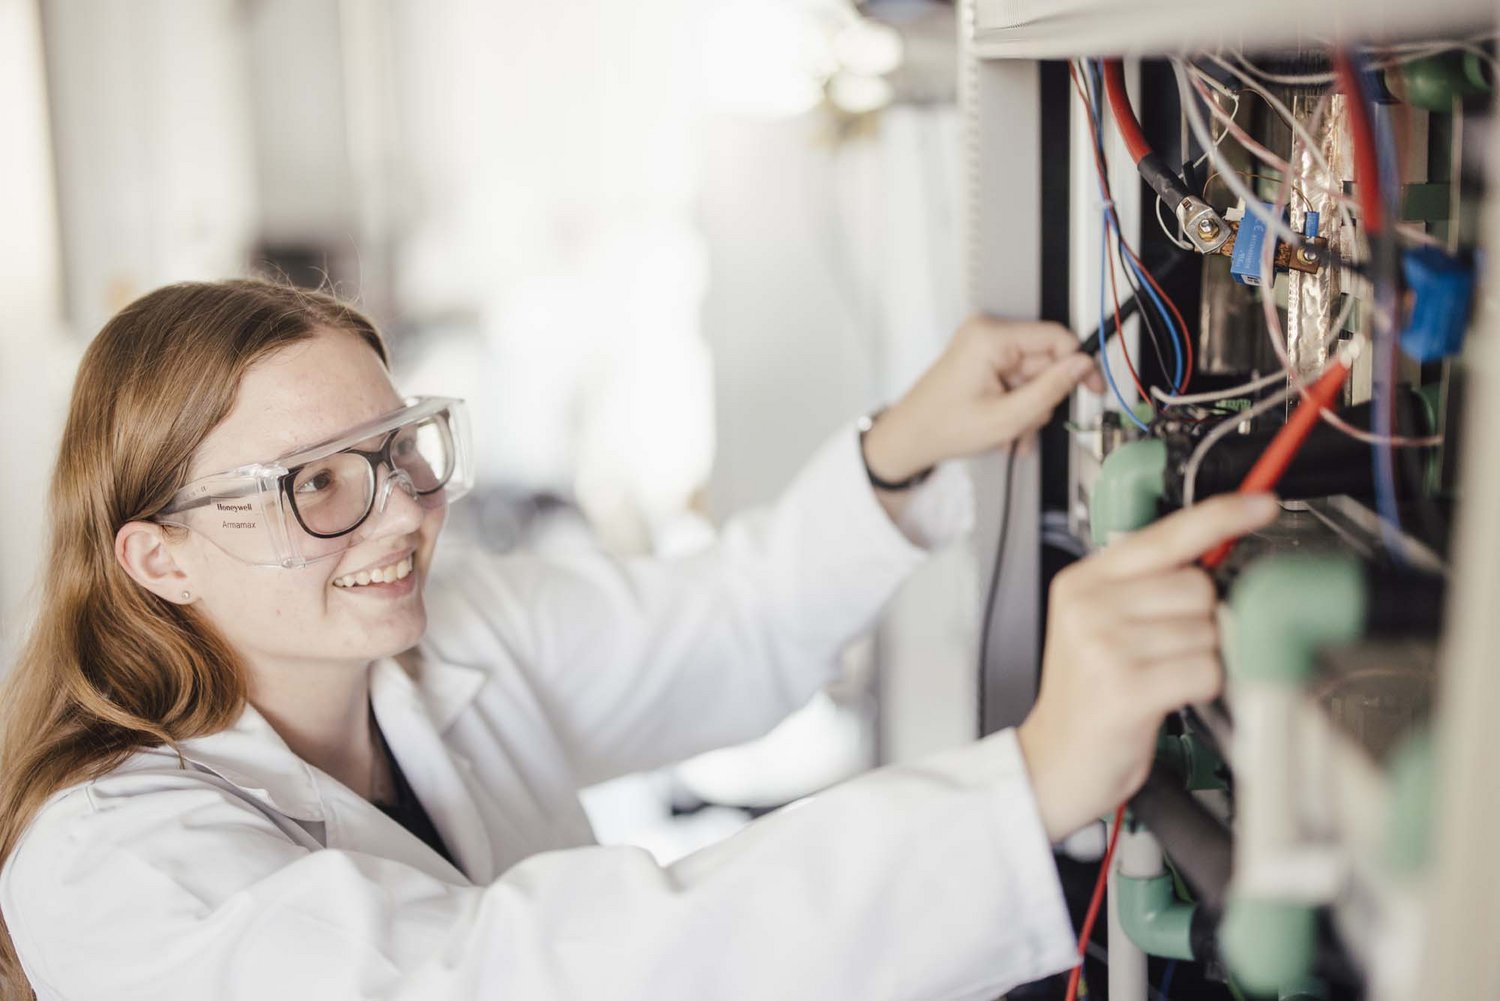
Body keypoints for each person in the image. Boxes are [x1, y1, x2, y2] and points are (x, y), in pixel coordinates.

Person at [0, 280, 1275, 1000]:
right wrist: (1032, 781)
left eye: (400, 449)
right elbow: (529, 977)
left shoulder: (437, 640)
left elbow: (720, 623)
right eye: (316, 484)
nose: (403, 511)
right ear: (157, 556)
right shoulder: (112, 869)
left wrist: (904, 448)